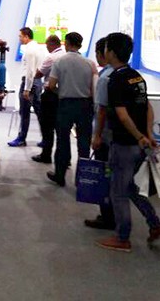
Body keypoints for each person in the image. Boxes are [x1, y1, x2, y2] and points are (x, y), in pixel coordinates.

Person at [96, 32, 160, 253]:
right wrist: (148, 134)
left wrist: (139, 136)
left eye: (106, 48)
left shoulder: (115, 80)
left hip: (124, 143)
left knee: (118, 191)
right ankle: (154, 223)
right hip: (140, 144)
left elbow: (122, 115)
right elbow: (148, 107)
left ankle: (122, 237)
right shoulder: (137, 77)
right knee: (129, 187)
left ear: (111, 52)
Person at [45, 31, 97, 187]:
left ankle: (60, 175)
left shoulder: (60, 61)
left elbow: (51, 85)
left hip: (65, 104)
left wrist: (61, 92)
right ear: (80, 45)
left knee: (62, 140)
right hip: (85, 105)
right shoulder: (90, 63)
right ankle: (82, 179)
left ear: (66, 43)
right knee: (84, 142)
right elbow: (94, 87)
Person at [87, 37, 116, 230]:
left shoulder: (105, 77)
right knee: (116, 178)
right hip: (118, 137)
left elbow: (101, 109)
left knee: (105, 177)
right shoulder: (127, 74)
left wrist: (96, 135)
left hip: (106, 137)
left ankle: (108, 217)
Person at [9, 27, 46, 147]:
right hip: (37, 82)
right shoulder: (39, 48)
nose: (19, 39)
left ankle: (21, 138)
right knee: (39, 111)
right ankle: (46, 138)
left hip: (29, 83)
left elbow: (30, 71)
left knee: (24, 112)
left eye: (20, 36)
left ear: (26, 36)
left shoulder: (30, 51)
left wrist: (26, 89)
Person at [31, 34, 64, 164]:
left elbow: (39, 74)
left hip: (50, 95)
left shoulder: (51, 57)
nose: (47, 48)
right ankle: (63, 158)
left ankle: (46, 155)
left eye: (47, 45)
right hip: (63, 96)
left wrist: (32, 70)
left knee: (47, 127)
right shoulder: (65, 56)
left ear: (51, 44)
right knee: (61, 129)